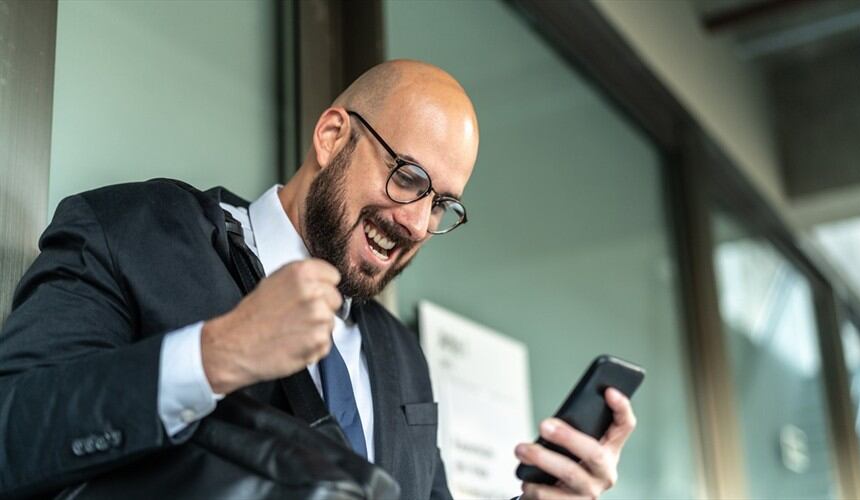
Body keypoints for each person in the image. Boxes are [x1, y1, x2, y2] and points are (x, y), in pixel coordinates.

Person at [0, 60, 636, 499]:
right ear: (333, 136)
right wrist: (214, 355)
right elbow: (10, 430)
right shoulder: (134, 229)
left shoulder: (401, 356)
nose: (416, 222)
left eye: (440, 204)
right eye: (408, 177)